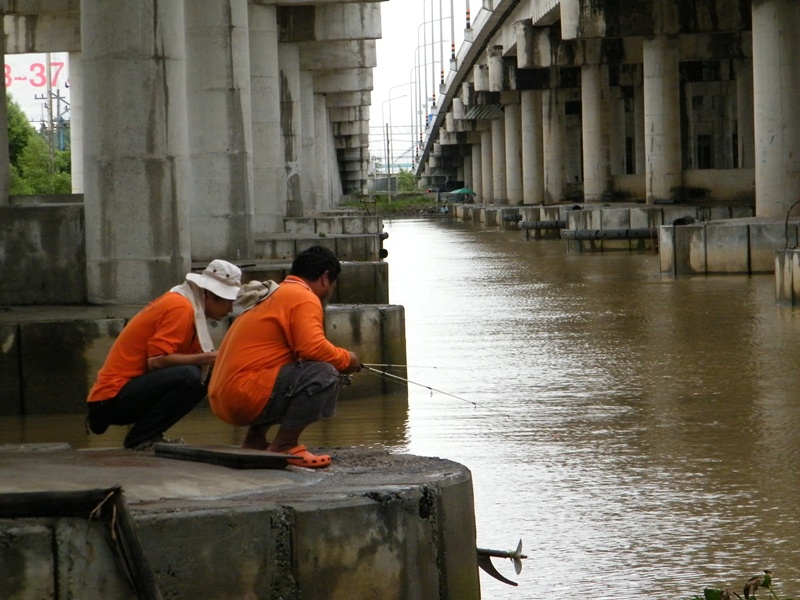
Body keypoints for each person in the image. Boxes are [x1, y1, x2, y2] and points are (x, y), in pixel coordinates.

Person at [208, 245, 361, 468]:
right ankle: (284, 445)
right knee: (325, 372)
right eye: (334, 283)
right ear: (325, 277)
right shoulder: (303, 297)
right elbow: (313, 349)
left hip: (224, 398)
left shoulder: (277, 293)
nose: (331, 289)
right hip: (243, 396)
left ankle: (255, 441)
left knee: (289, 364)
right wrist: (348, 359)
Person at [86, 259, 242, 450]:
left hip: (125, 395)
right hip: (110, 398)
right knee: (191, 376)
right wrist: (209, 358)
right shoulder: (180, 306)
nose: (231, 310)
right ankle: (141, 437)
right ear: (210, 295)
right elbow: (157, 361)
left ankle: (149, 434)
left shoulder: (190, 307)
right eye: (229, 302)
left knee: (204, 376)